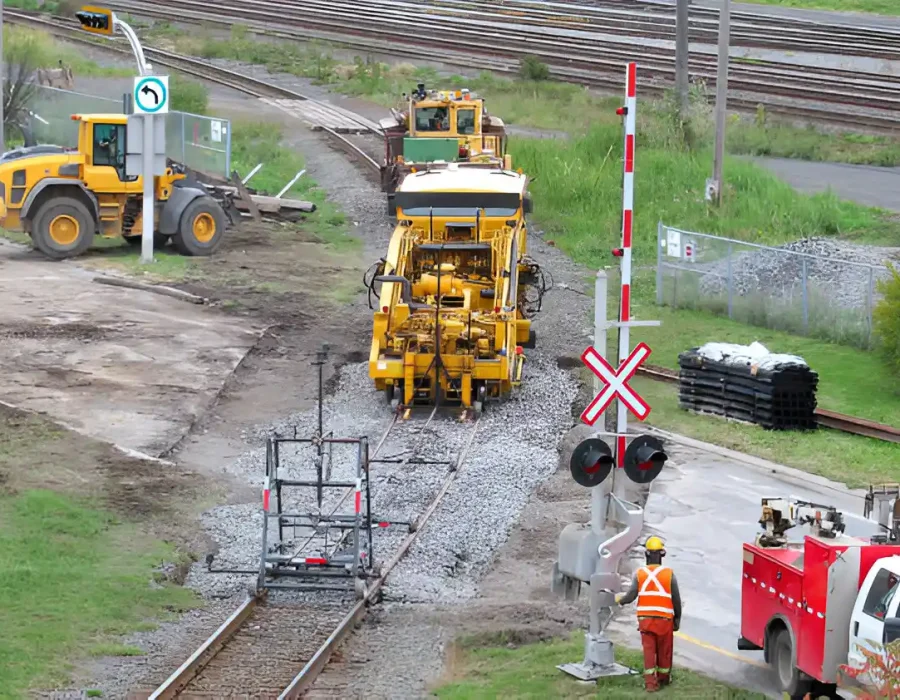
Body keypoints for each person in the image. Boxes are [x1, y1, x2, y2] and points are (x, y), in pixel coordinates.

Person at [615, 536, 682, 692]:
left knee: (649, 651)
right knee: (664, 650)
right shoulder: (668, 574)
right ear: (662, 555)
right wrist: (677, 620)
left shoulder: (640, 574)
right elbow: (676, 600)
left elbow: (631, 596)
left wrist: (620, 600)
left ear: (646, 555)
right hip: (665, 620)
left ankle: (650, 684)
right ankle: (664, 678)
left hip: (645, 620)